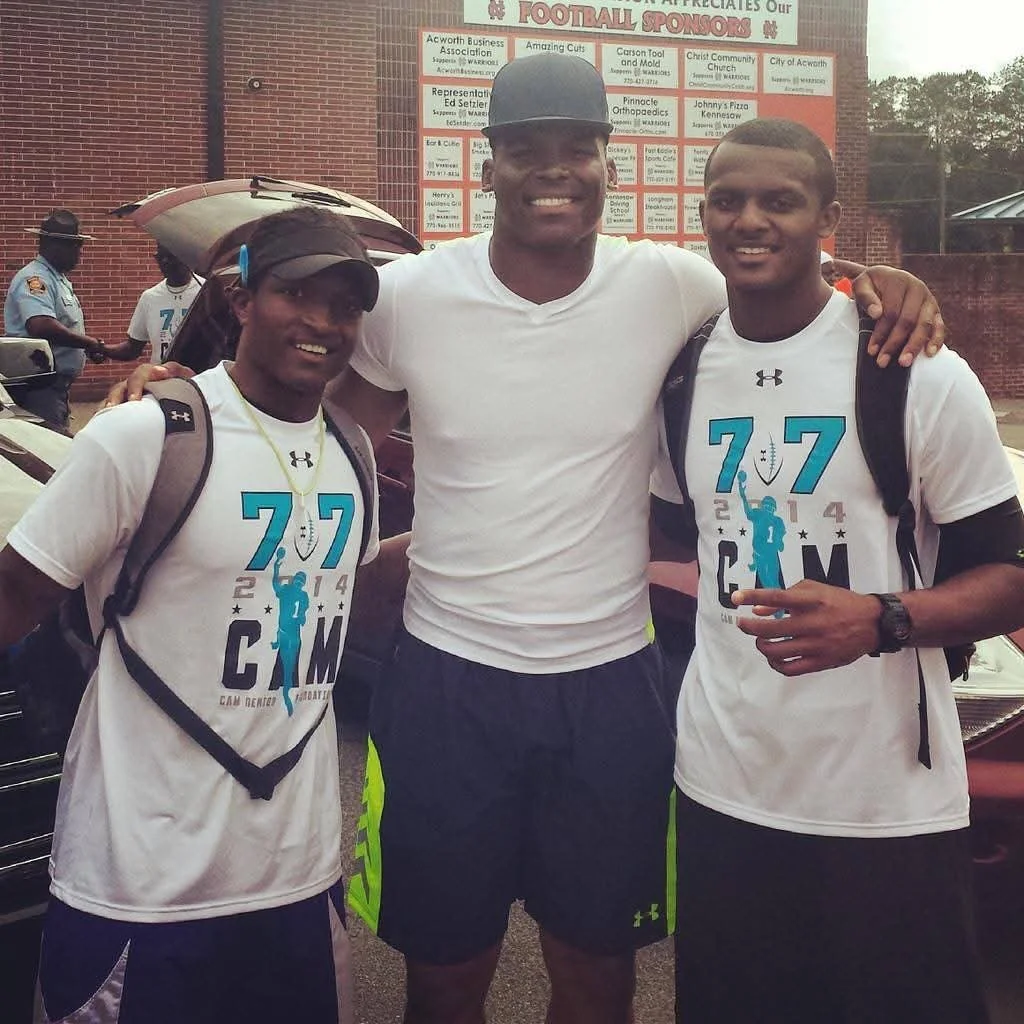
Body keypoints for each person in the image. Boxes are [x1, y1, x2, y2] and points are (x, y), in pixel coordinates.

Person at [110, 55, 946, 1024]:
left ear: (607, 163)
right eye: (525, 150)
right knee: (445, 977)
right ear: (487, 165)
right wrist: (184, 389)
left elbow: (789, 286)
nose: (553, 170)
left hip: (607, 686)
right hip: (446, 682)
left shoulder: (671, 286)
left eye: (575, 148)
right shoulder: (414, 296)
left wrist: (880, 278)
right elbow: (306, 427)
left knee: (597, 977)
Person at [654, 117, 1024, 1023]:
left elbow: (1009, 576)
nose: (751, 220)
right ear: (702, 214)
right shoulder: (684, 374)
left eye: (780, 200)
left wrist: (883, 620)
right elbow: (676, 544)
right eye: (728, 199)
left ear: (826, 218)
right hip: (721, 790)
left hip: (884, 803)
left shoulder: (915, 372)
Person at [0, 205, 390, 1024]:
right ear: (243, 300)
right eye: (297, 294)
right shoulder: (144, 437)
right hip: (139, 884)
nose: (323, 322)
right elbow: (13, 599)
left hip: (296, 880)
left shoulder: (353, 449)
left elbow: (351, 583)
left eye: (346, 305)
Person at [3, 209, 107, 428]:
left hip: (55, 388)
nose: (80, 252)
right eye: (75, 246)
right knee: (49, 448)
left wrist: (85, 347)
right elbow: (40, 325)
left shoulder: (57, 279)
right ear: (54, 245)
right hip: (38, 388)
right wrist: (89, 343)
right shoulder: (36, 279)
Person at [103, 244, 204, 363]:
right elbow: (133, 349)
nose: (165, 262)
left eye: (171, 257)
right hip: (162, 377)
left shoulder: (208, 292)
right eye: (160, 257)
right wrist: (99, 347)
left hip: (200, 378)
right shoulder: (150, 297)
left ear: (187, 258)